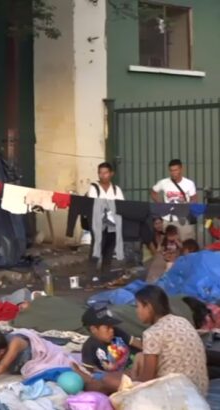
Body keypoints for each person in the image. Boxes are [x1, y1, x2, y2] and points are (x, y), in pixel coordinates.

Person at [75, 286, 208, 395]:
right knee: (135, 360)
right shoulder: (181, 320)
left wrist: (127, 380)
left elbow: (147, 381)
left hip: (174, 394)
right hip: (199, 391)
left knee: (107, 381)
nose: (137, 311)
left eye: (138, 306)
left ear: (148, 307)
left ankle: (90, 383)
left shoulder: (152, 333)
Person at [87, 162, 125, 278]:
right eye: (100, 173)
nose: (103, 175)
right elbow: (94, 205)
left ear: (111, 174)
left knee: (108, 252)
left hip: (113, 225)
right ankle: (91, 276)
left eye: (105, 173)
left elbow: (121, 206)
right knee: (96, 251)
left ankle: (105, 276)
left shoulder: (116, 189)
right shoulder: (94, 188)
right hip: (98, 225)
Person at [81, 306, 142, 373]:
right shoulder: (89, 347)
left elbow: (136, 342)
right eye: (107, 328)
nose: (112, 330)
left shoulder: (116, 332)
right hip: (119, 375)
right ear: (94, 329)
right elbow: (91, 369)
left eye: (112, 326)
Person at [151, 159, 197, 240]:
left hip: (183, 218)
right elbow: (153, 192)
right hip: (168, 219)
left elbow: (194, 199)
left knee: (186, 242)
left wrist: (186, 205)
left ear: (181, 169)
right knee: (169, 244)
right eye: (171, 170)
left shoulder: (189, 183)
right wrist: (160, 204)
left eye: (175, 170)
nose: (173, 173)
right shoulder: (163, 182)